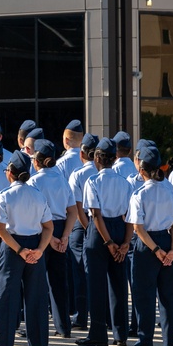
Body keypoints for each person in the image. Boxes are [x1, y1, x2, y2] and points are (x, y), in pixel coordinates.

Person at [0, 152, 53, 346]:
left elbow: (0, 229)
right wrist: (39, 250)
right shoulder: (38, 194)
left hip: (13, 246)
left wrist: (20, 250)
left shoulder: (4, 195)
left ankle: (4, 345)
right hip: (35, 245)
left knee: (6, 296)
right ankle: (39, 344)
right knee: (37, 297)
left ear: (10, 173)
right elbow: (48, 227)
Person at [78, 137, 133, 346]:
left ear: (98, 158)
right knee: (119, 285)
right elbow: (129, 215)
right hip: (120, 229)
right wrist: (125, 243)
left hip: (99, 233)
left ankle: (98, 333)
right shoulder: (124, 183)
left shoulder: (92, 181)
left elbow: (96, 215)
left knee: (96, 284)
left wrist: (108, 242)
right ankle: (120, 334)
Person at [127, 145, 173, 346]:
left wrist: (156, 249)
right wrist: (172, 250)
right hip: (168, 241)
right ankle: (170, 343)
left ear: (141, 170)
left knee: (144, 296)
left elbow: (138, 228)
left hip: (147, 246)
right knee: (168, 296)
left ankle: (146, 342)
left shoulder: (139, 194)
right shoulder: (170, 191)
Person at [26, 139, 78, 339]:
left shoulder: (34, 181)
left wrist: (51, 238)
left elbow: (33, 212)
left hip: (40, 230)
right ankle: (63, 326)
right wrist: (64, 235)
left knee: (37, 283)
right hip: (60, 227)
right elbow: (72, 211)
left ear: (37, 160)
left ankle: (39, 327)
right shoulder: (61, 180)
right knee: (59, 282)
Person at [67, 133, 100, 331]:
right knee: (100, 274)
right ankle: (102, 316)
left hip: (83, 225)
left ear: (82, 154)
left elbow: (78, 207)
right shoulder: (102, 172)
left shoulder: (78, 175)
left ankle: (81, 317)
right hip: (102, 224)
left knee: (80, 273)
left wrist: (88, 227)